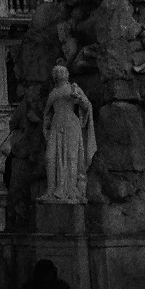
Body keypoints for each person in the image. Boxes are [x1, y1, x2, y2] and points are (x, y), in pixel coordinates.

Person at [40, 65, 97, 204]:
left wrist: (78, 98)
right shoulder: (53, 92)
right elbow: (47, 112)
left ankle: (71, 190)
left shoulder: (74, 88)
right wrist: (45, 126)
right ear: (54, 75)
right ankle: (51, 190)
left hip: (71, 124)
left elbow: (87, 106)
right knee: (50, 157)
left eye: (64, 71)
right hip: (56, 125)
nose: (61, 73)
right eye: (58, 71)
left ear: (67, 74)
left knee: (72, 157)